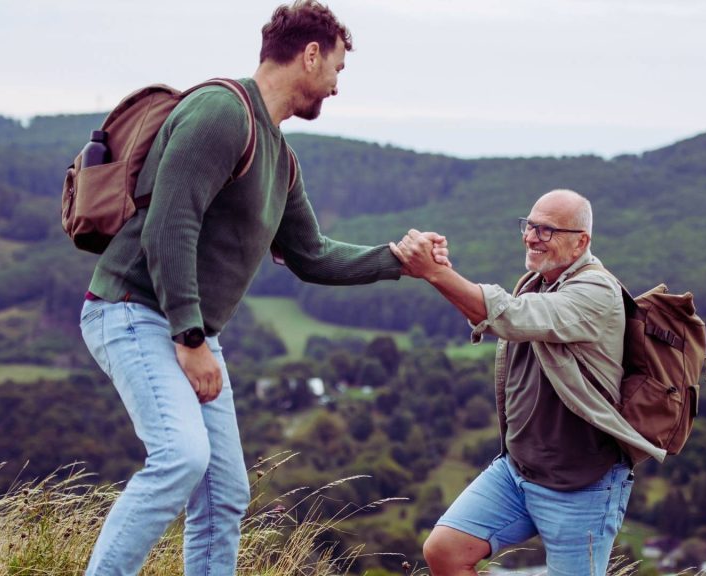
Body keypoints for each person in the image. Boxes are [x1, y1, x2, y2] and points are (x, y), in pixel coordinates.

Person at [78, 2, 448, 574]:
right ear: (310, 55)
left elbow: (313, 255)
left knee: (223, 490)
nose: (335, 86)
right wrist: (192, 339)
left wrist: (399, 260)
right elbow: (169, 226)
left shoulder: (280, 155)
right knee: (180, 458)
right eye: (337, 70)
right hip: (135, 312)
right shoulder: (221, 112)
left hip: (187, 329)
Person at [391, 189, 667, 576]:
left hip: (581, 483)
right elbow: (493, 315)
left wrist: (435, 272)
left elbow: (510, 317)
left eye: (547, 230)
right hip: (518, 470)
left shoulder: (597, 292)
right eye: (530, 225)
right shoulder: (538, 281)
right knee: (445, 552)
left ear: (581, 241)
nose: (532, 236)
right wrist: (440, 272)